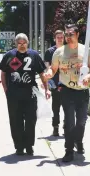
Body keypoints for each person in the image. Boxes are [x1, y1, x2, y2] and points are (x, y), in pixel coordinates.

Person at [0, 33, 51, 156]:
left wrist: (47, 89)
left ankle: (29, 146)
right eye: (19, 43)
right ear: (16, 44)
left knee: (30, 120)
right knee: (15, 120)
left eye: (24, 43)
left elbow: (42, 73)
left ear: (28, 43)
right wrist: (6, 89)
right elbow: (3, 73)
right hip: (13, 94)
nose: (22, 45)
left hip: (30, 93)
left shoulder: (34, 55)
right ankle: (19, 146)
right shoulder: (9, 55)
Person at [44, 24, 90, 162]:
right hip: (66, 91)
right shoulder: (59, 52)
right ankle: (68, 150)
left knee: (82, 121)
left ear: (77, 35)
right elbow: (53, 69)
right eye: (66, 34)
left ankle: (79, 141)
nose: (68, 37)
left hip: (82, 91)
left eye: (71, 34)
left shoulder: (86, 50)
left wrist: (88, 76)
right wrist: (48, 74)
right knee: (69, 121)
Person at [44, 30, 65, 136]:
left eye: (62, 37)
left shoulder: (68, 50)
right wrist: (48, 83)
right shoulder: (50, 51)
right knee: (55, 106)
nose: (60, 39)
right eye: (58, 37)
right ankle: (55, 127)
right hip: (55, 82)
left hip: (67, 82)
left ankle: (66, 127)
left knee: (68, 107)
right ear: (54, 38)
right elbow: (47, 67)